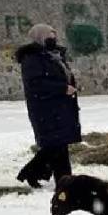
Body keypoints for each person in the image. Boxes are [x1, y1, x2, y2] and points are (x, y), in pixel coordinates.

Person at [15, 24, 81, 188]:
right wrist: (62, 88)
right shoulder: (32, 58)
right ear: (40, 36)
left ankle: (61, 179)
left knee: (58, 145)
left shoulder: (55, 55)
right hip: (45, 108)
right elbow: (36, 84)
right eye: (50, 35)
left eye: (54, 34)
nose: (54, 37)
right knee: (55, 145)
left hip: (60, 106)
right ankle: (58, 179)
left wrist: (70, 86)